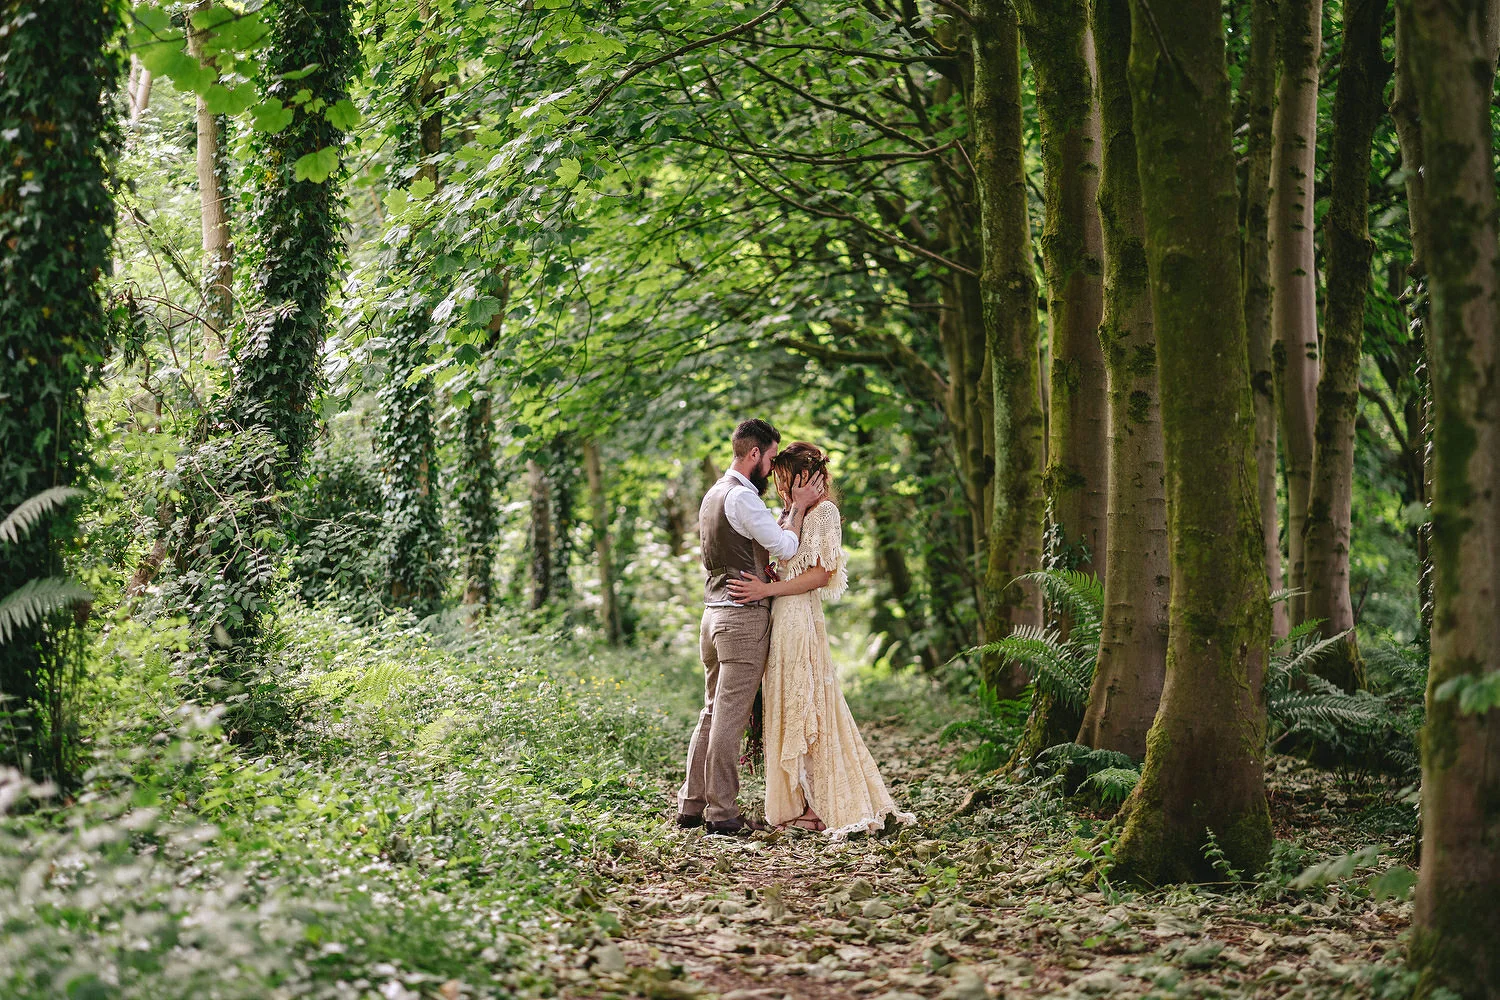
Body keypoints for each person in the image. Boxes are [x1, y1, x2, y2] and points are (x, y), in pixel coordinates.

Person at [727, 442, 914, 839]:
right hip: (781, 618)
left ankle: (820, 802)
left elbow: (821, 575)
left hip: (799, 617)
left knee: (805, 701)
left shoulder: (826, 512)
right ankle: (799, 803)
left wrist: (766, 592)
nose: (779, 487)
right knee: (787, 700)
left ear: (805, 478)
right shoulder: (792, 513)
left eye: (784, 479)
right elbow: (784, 559)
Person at [677, 419, 826, 836]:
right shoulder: (742, 498)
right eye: (771, 457)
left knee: (711, 710)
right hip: (741, 617)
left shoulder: (714, 494)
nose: (773, 466)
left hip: (712, 613)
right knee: (730, 716)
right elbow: (786, 547)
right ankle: (721, 812)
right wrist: (797, 508)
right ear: (755, 454)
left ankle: (691, 803)